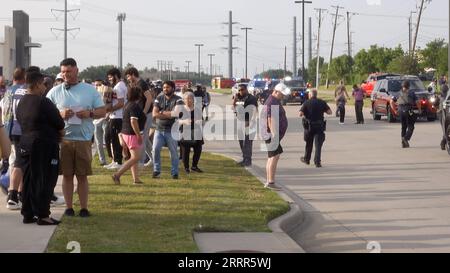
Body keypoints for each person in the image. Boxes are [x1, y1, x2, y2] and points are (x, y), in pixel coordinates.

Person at [47, 58, 106, 217]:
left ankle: (84, 208)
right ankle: (68, 207)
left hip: (83, 139)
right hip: (63, 140)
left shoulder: (90, 90)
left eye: (69, 71)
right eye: (63, 72)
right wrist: (60, 114)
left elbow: (103, 111)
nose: (66, 75)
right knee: (67, 175)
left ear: (77, 70)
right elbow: (45, 113)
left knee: (82, 175)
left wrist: (90, 113)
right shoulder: (55, 91)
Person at [16, 68, 66, 225]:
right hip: (44, 146)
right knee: (46, 180)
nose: (45, 87)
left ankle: (28, 213)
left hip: (25, 143)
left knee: (29, 180)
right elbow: (60, 123)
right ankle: (43, 215)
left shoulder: (22, 101)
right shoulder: (43, 102)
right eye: (43, 84)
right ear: (37, 84)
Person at [0, 67, 27, 210]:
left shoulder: (8, 91)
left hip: (8, 130)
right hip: (20, 131)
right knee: (19, 163)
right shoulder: (24, 91)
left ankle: (15, 192)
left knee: (14, 161)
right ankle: (14, 193)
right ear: (25, 77)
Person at [112, 86, 147, 185]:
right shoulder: (134, 106)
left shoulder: (127, 105)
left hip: (126, 133)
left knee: (133, 157)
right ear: (138, 95)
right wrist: (138, 135)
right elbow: (133, 121)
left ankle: (136, 179)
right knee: (136, 157)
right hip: (132, 134)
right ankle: (117, 175)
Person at [152, 81, 183, 179]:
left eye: (168, 87)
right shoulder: (158, 98)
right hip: (159, 130)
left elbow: (176, 113)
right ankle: (156, 170)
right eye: (164, 87)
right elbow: (154, 114)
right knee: (155, 150)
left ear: (173, 88)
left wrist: (161, 112)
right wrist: (169, 114)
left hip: (172, 130)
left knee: (173, 153)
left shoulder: (179, 99)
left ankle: (174, 173)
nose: (165, 89)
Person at [124, 67, 154, 167]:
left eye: (128, 76)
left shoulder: (142, 84)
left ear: (133, 74)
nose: (128, 79)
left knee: (142, 138)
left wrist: (144, 113)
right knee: (146, 139)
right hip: (141, 115)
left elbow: (149, 98)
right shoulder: (135, 84)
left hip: (146, 114)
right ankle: (154, 159)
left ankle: (140, 162)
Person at [261, 83, 289, 190]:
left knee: (271, 157)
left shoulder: (274, 101)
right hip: (271, 135)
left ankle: (269, 181)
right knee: (274, 156)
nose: (283, 96)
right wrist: (274, 134)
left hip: (270, 134)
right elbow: (270, 119)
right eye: (282, 94)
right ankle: (271, 182)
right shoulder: (272, 102)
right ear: (276, 92)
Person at [299, 89, 332, 168]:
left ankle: (307, 159)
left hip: (309, 126)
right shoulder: (322, 102)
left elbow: (300, 113)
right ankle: (317, 162)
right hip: (319, 126)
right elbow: (330, 112)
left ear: (310, 95)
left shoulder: (306, 103)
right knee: (318, 145)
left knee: (309, 144)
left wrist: (306, 115)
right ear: (316, 95)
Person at [104, 68, 127, 170]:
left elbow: (121, 103)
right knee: (108, 137)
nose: (109, 79)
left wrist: (110, 109)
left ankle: (118, 161)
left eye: (110, 77)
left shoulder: (119, 87)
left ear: (116, 76)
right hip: (114, 116)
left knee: (115, 139)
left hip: (118, 116)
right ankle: (114, 160)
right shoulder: (117, 86)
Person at [232, 83, 258, 167]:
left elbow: (254, 111)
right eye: (239, 90)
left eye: (242, 90)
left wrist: (250, 122)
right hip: (240, 122)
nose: (240, 91)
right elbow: (233, 107)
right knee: (241, 142)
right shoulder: (238, 97)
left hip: (249, 123)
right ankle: (244, 158)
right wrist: (235, 99)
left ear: (246, 90)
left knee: (247, 143)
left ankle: (248, 160)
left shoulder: (252, 98)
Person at [178, 92, 204, 173]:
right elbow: (176, 121)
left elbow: (202, 120)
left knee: (198, 150)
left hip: (197, 132)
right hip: (185, 132)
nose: (188, 100)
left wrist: (200, 122)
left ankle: (194, 166)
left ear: (193, 100)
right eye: (186, 98)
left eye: (190, 98)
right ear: (184, 100)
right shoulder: (181, 110)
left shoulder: (197, 109)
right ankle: (186, 168)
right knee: (186, 151)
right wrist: (184, 121)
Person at [391, 80, 421, 148]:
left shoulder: (398, 93)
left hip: (400, 110)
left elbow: (391, 101)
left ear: (402, 86)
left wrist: (395, 110)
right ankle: (405, 138)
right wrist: (419, 109)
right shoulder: (411, 93)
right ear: (409, 86)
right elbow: (418, 102)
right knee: (411, 126)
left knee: (403, 126)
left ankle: (403, 142)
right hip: (408, 110)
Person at [93, 80, 109, 166]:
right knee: (98, 142)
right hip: (95, 121)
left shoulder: (106, 93)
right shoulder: (92, 95)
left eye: (99, 85)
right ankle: (102, 160)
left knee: (107, 140)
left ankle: (115, 159)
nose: (97, 86)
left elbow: (110, 105)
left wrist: (108, 115)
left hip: (105, 119)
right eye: (96, 85)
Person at [440, 84, 449, 150]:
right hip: (443, 114)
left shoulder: (441, 97)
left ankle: (443, 142)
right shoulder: (440, 97)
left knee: (445, 129)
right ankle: (443, 142)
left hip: (444, 114)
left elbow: (434, 104)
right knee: (445, 129)